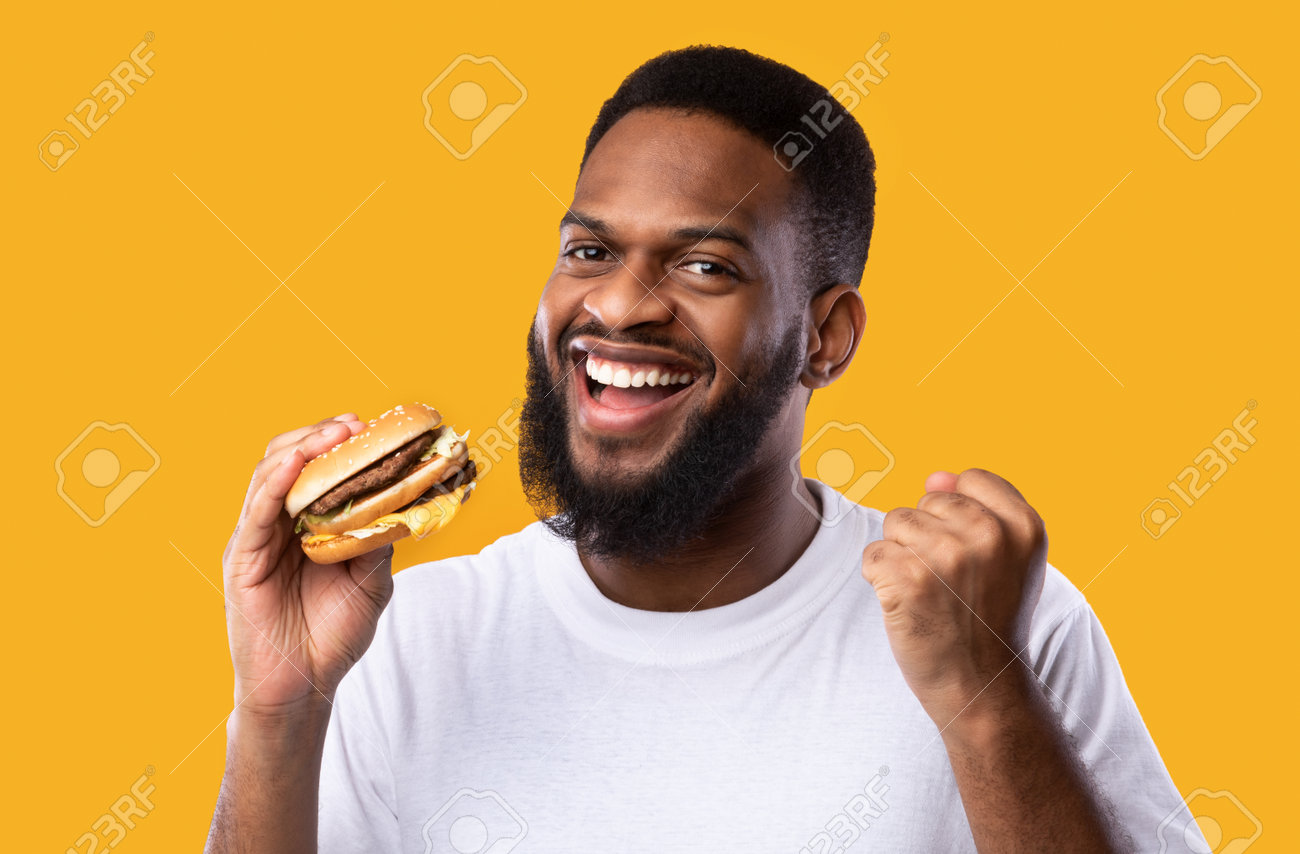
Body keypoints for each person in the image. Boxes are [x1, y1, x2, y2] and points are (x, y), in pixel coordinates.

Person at [206, 46, 1204, 853]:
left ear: (827, 336)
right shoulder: (404, 641)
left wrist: (987, 701)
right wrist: (280, 711)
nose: (621, 304)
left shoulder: (993, 621)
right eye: (589, 251)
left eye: (704, 264)